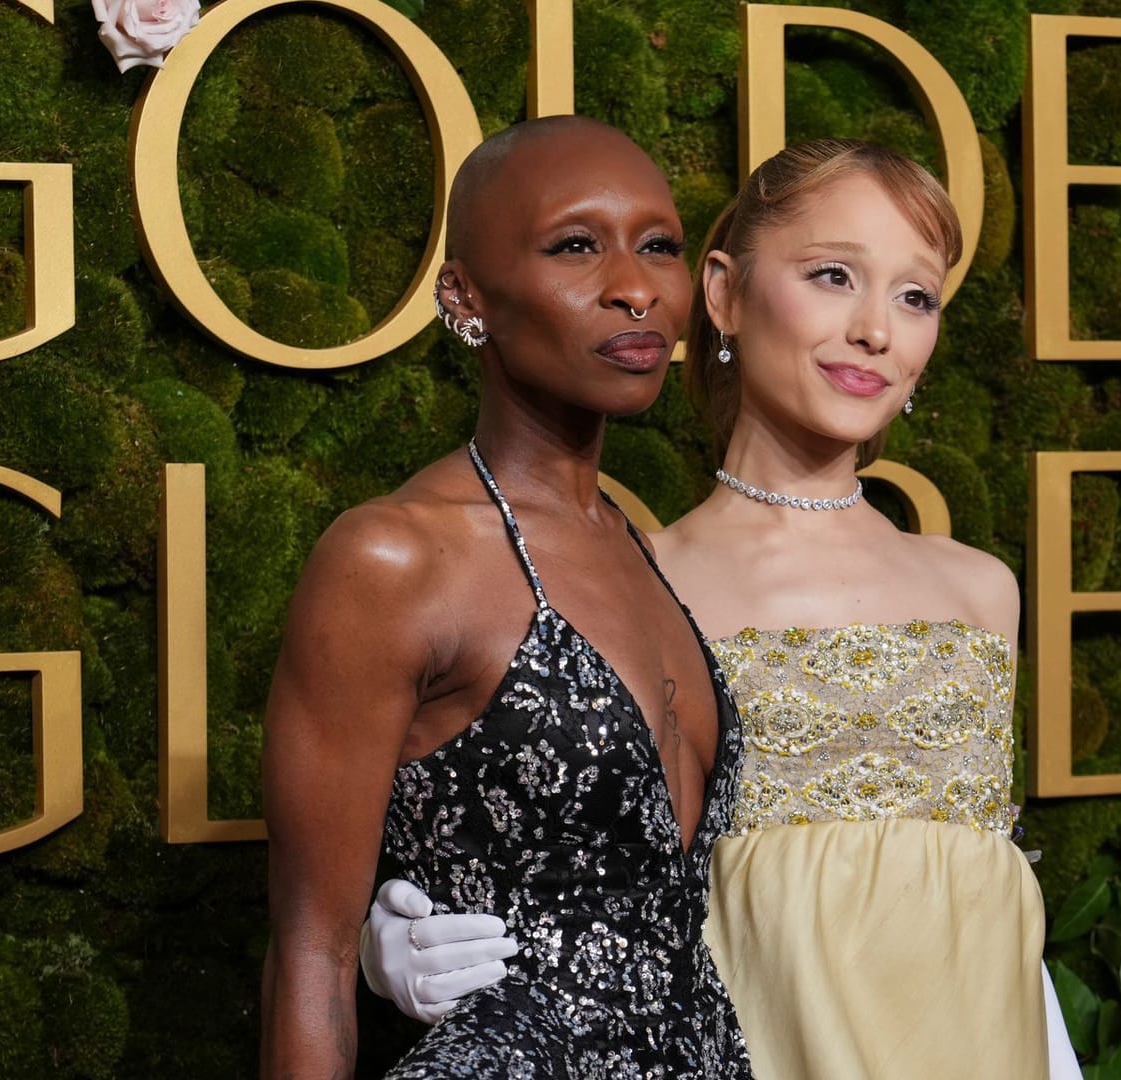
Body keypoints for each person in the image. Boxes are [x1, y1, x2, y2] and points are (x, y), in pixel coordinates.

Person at [363, 140, 1079, 1078]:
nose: (877, 330)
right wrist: (394, 936)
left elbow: (992, 909)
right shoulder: (632, 591)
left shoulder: (982, 591)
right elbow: (555, 866)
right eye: (833, 276)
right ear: (724, 293)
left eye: (916, 297)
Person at [260, 115, 752, 1080]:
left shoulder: (641, 552)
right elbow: (308, 955)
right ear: (465, 295)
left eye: (659, 245)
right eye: (576, 246)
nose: (634, 286)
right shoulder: (395, 558)